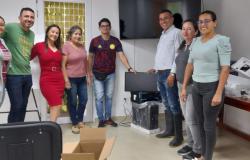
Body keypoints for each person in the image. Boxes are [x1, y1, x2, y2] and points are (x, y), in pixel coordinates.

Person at [181, 10, 231, 160]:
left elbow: (225, 68)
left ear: (215, 23)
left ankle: (207, 157)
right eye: (200, 21)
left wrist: (218, 92)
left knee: (209, 125)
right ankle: (202, 155)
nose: (203, 24)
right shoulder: (195, 41)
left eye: (207, 21)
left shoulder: (221, 40)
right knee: (200, 122)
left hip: (212, 87)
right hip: (196, 87)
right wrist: (184, 87)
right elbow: (190, 65)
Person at [88, 18, 134, 128]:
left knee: (109, 97)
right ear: (99, 28)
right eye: (103, 26)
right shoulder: (94, 41)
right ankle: (101, 119)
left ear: (110, 27)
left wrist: (129, 68)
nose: (105, 27)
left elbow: (121, 55)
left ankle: (108, 118)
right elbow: (90, 57)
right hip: (97, 73)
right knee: (99, 97)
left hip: (110, 74)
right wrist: (88, 72)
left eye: (107, 26)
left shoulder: (115, 41)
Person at [148, 9, 183, 147]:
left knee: (174, 104)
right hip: (160, 73)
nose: (163, 21)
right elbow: (163, 55)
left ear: (172, 19)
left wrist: (172, 73)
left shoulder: (177, 33)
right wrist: (155, 68)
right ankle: (169, 130)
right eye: (160, 19)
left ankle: (178, 136)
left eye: (166, 18)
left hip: (169, 73)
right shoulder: (163, 34)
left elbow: (178, 56)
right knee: (166, 103)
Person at [169, 19, 202, 160]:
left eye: (189, 29)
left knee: (191, 119)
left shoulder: (198, 45)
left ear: (196, 31)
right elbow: (176, 64)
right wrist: (172, 74)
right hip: (180, 86)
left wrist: (184, 87)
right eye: (183, 29)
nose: (186, 31)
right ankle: (190, 144)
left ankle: (198, 150)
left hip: (192, 87)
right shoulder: (182, 46)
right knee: (187, 119)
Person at [1, 8, 35, 122]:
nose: (29, 19)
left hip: (27, 75)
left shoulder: (32, 34)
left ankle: (20, 130)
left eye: (31, 17)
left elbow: (26, 53)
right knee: (17, 105)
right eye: (26, 16)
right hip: (13, 75)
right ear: (20, 18)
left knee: (23, 106)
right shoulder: (10, 28)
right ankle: (11, 132)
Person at [31, 24, 64, 122]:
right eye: (52, 32)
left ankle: (52, 127)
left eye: (57, 33)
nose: (54, 34)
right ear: (47, 32)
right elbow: (28, 57)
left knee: (57, 105)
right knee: (56, 104)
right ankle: (52, 129)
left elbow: (62, 65)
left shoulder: (59, 48)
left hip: (59, 79)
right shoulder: (39, 46)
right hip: (47, 80)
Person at [62, 25, 89, 134]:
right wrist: (66, 80)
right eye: (76, 34)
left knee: (84, 100)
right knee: (72, 101)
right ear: (70, 35)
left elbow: (85, 62)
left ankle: (80, 120)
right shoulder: (66, 46)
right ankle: (74, 123)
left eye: (79, 34)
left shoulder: (82, 46)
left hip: (82, 78)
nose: (78, 36)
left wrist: (88, 75)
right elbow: (62, 65)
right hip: (71, 78)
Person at [0, 16, 12, 107]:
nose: (1, 27)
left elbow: (7, 59)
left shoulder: (2, 41)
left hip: (2, 80)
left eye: (2, 25)